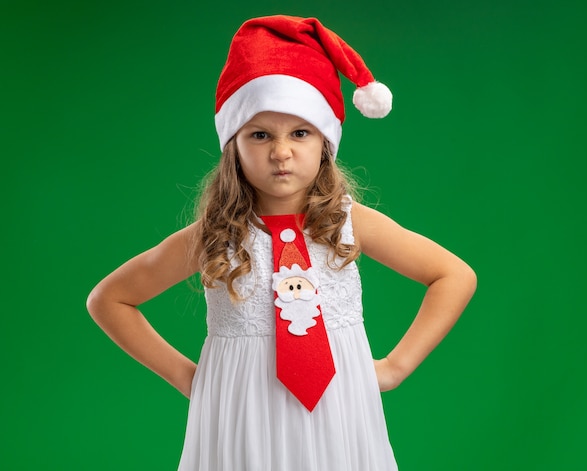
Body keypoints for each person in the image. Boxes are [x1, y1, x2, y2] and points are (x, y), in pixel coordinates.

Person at [87, 15, 476, 471]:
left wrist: (395, 366)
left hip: (338, 411)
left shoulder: (350, 223)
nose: (281, 152)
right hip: (239, 413)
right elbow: (109, 299)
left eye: (300, 132)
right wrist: (187, 377)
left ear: (325, 143)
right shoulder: (214, 235)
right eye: (260, 135)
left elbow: (454, 275)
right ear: (234, 146)